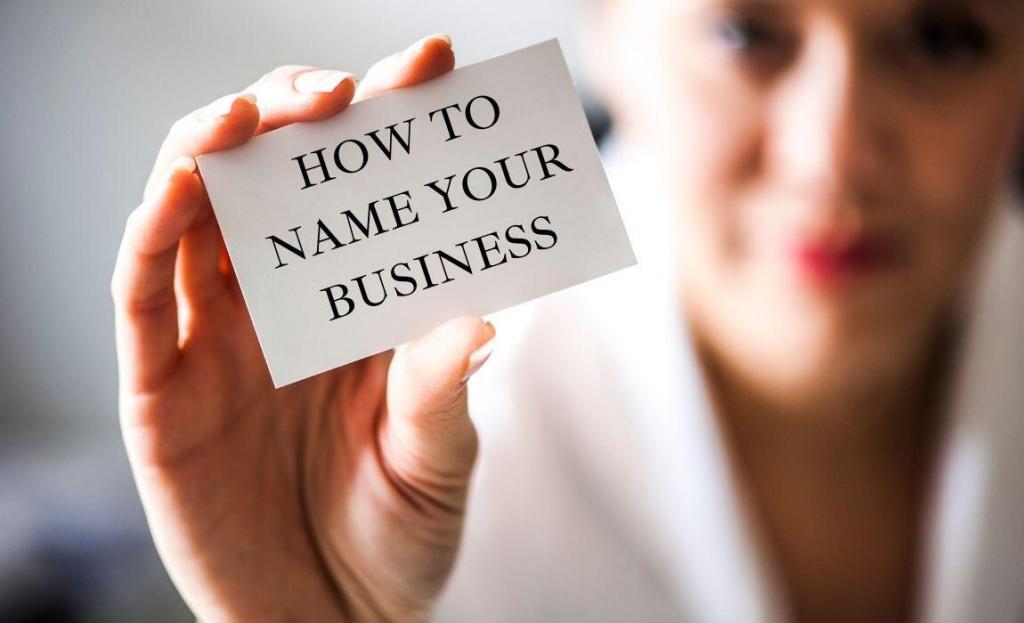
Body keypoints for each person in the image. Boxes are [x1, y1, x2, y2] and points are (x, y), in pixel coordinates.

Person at [111, 0, 1024, 620]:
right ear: (606, 34)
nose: (835, 154)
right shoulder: (406, 444)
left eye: (944, 38)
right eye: (747, 32)